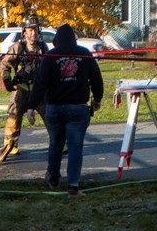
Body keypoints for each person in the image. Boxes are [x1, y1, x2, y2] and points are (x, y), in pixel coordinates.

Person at [29, 24, 103, 196]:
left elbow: (40, 83)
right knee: (75, 146)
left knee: (55, 143)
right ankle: (73, 185)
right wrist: (97, 99)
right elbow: (96, 79)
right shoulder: (84, 54)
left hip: (54, 109)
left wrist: (31, 106)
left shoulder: (50, 56)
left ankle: (53, 177)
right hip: (78, 108)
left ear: (57, 40)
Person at [0, 15, 49, 161]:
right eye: (30, 30)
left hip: (39, 90)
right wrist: (7, 80)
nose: (33, 33)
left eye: (35, 29)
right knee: (14, 116)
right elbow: (5, 64)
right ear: (24, 31)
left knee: (50, 116)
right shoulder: (17, 47)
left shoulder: (43, 47)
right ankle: (10, 145)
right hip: (21, 89)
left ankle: (60, 143)